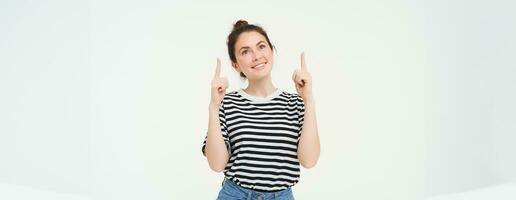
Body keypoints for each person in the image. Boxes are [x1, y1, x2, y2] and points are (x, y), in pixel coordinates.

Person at [202, 19, 320, 200]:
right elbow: (217, 165)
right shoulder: (227, 103)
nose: (256, 56)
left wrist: (308, 100)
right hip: (235, 195)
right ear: (235, 65)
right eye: (245, 51)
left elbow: (309, 161)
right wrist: (214, 106)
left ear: (271, 50)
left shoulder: (296, 104)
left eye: (261, 46)